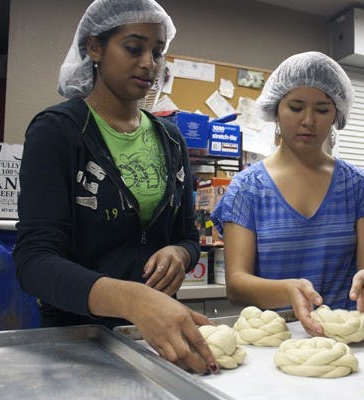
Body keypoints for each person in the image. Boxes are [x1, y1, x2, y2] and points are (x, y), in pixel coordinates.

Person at [13, 0, 218, 375]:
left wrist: (179, 252)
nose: (149, 64)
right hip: (76, 345)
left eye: (157, 52)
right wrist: (130, 298)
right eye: (134, 48)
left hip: (156, 341)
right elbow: (34, 261)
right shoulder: (58, 132)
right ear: (94, 47)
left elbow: (189, 235)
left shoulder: (170, 141)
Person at [211, 51, 364, 337]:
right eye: (296, 107)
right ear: (276, 110)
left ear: (336, 115)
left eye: (321, 110)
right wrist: (287, 290)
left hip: (344, 339)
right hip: (272, 340)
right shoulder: (246, 189)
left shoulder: (359, 187)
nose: (308, 120)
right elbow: (236, 285)